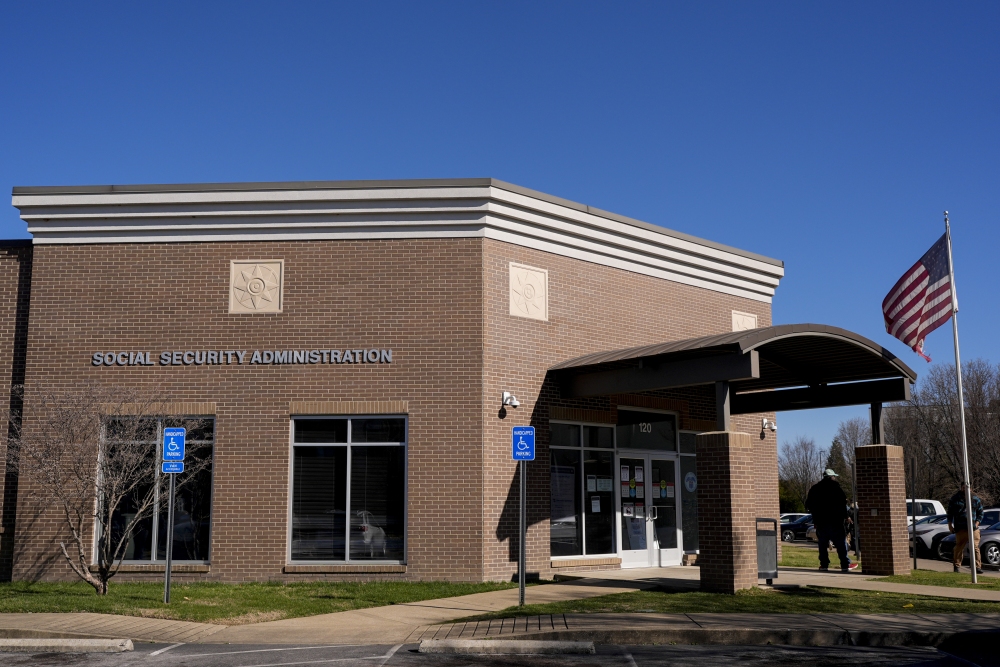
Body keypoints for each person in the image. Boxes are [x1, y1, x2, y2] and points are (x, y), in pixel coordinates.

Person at [806, 469, 858, 572]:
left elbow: (809, 505)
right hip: (835, 522)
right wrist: (846, 517)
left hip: (821, 522)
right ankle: (845, 564)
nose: (835, 478)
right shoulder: (836, 488)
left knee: (822, 544)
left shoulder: (815, 489)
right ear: (831, 477)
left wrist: (816, 518)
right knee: (841, 544)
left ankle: (824, 565)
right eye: (834, 476)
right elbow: (842, 505)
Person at [947, 482, 984, 574]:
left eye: (967, 488)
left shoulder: (975, 499)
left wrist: (977, 523)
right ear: (961, 488)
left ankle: (977, 567)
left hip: (973, 528)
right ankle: (957, 566)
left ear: (971, 488)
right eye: (963, 487)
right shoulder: (955, 499)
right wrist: (950, 525)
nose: (965, 489)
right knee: (959, 547)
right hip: (960, 528)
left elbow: (981, 512)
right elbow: (950, 513)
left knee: (975, 547)